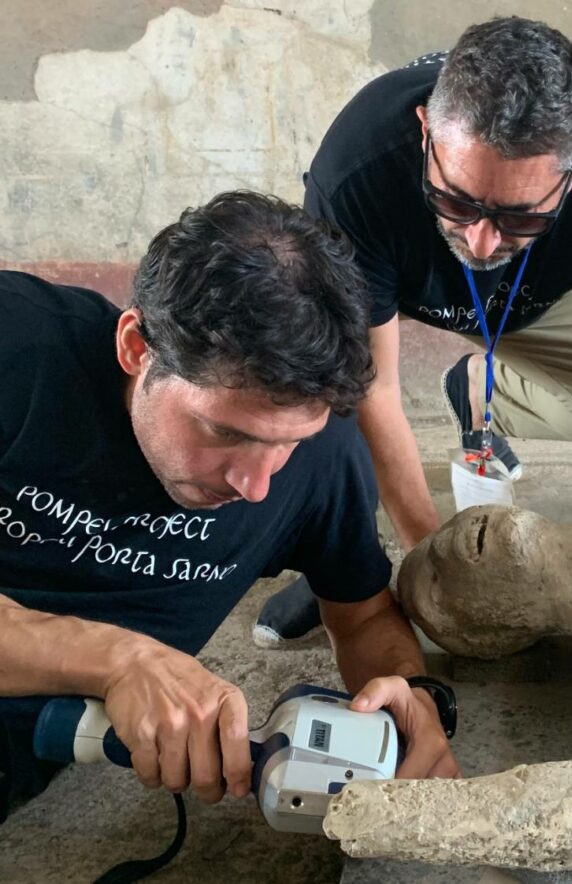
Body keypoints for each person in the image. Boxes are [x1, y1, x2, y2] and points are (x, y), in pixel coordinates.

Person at [0, 191, 458, 825]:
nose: (256, 485)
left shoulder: (325, 460)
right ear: (138, 346)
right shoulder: (17, 348)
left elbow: (361, 618)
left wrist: (411, 695)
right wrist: (118, 660)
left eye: (288, 443)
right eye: (227, 433)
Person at [256, 16, 572, 645]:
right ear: (426, 134)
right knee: (312, 401)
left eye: (521, 216)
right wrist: (433, 569)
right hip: (394, 284)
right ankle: (346, 562)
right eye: (458, 201)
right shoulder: (359, 168)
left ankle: (480, 389)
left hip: (531, 301)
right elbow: (371, 387)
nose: (483, 240)